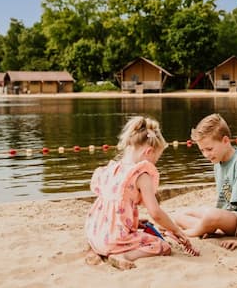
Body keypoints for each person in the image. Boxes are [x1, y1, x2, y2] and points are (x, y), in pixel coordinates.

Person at [85, 116, 198, 270]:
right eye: (155, 159)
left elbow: (112, 210)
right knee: (161, 245)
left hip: (95, 233)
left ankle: (96, 251)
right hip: (114, 239)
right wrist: (176, 230)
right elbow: (156, 212)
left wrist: (135, 222)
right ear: (149, 152)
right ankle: (123, 256)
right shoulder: (141, 175)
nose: (153, 164)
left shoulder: (112, 169)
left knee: (133, 232)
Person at [174, 113, 237, 250]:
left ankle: (191, 232)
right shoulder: (218, 161)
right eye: (202, 150)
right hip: (230, 214)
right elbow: (223, 200)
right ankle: (206, 228)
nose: (206, 155)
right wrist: (213, 221)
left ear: (225, 141)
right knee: (181, 214)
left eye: (209, 149)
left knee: (211, 215)